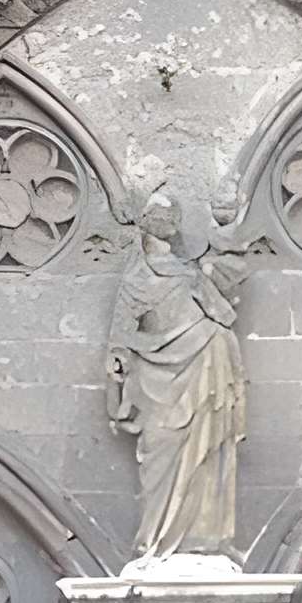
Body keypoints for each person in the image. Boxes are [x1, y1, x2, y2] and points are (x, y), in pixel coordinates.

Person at [106, 192, 248, 563]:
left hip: (205, 363)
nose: (169, 222)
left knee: (209, 449)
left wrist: (225, 236)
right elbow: (120, 339)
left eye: (172, 217)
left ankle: (205, 538)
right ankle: (155, 542)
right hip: (156, 380)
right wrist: (115, 382)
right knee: (161, 455)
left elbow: (227, 293)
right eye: (161, 216)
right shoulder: (137, 279)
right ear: (146, 225)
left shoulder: (190, 273)